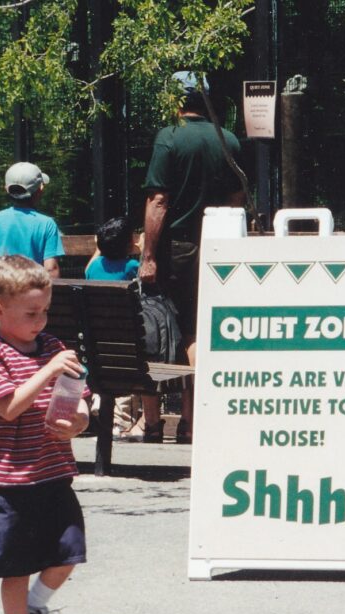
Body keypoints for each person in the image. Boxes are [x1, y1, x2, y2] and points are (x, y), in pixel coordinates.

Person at [0, 255, 90, 614]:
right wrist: (47, 371)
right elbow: (9, 408)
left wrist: (78, 422)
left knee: (68, 553)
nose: (41, 321)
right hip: (9, 481)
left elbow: (79, 401)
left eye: (45, 311)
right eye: (31, 313)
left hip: (53, 471)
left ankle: (35, 610)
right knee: (17, 565)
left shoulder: (54, 348)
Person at [139, 71, 245, 444]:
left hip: (178, 249)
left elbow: (159, 200)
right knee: (201, 331)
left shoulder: (168, 137)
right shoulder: (228, 139)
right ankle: (192, 422)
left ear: (176, 100)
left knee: (166, 328)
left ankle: (156, 424)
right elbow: (236, 199)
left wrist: (148, 255)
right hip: (219, 248)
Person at [85, 216, 163, 442]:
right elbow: (145, 281)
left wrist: (101, 248)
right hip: (129, 342)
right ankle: (128, 421)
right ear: (129, 244)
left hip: (100, 342)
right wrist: (142, 249)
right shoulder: (131, 267)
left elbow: (91, 266)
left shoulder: (94, 268)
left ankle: (115, 419)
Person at [0, 162, 63, 278]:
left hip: (1, 290)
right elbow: (51, 269)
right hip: (32, 291)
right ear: (40, 190)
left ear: (7, 189)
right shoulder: (47, 224)